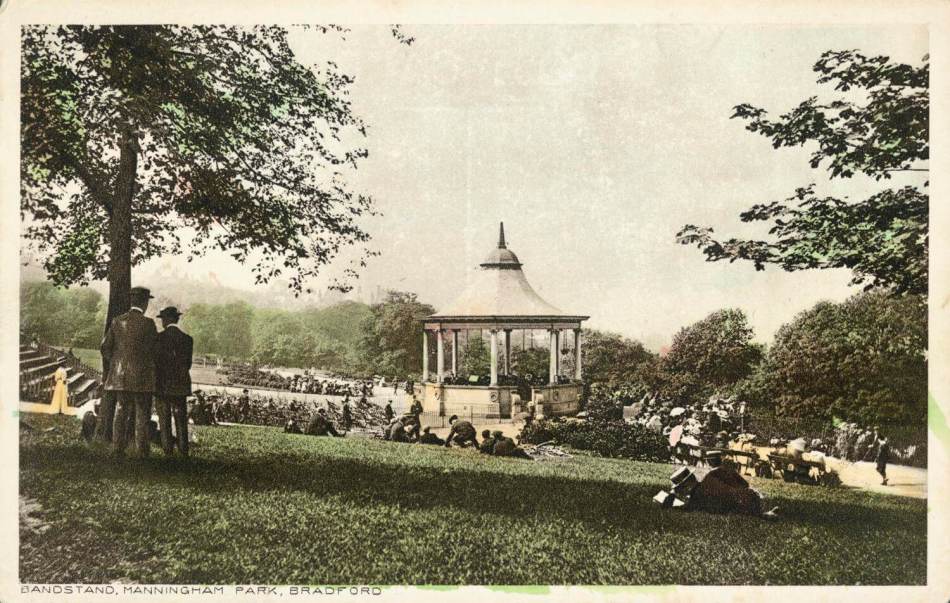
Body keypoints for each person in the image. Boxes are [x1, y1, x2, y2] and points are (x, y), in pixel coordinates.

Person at [101, 286, 158, 457]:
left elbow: (105, 347)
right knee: (142, 412)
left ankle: (117, 448)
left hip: (120, 375)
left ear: (131, 300)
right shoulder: (149, 324)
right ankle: (142, 450)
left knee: (121, 409)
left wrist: (115, 362)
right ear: (145, 302)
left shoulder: (117, 321)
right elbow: (154, 350)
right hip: (142, 376)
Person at [154, 306, 193, 458]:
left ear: (168, 320)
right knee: (180, 417)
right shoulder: (187, 339)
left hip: (162, 384)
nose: (162, 322)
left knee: (164, 419)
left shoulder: (159, 338)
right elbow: (187, 364)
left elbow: (156, 362)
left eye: (163, 319)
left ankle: (167, 450)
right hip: (180, 384)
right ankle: (184, 451)